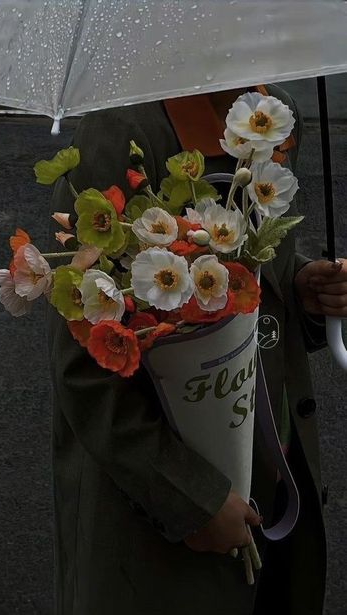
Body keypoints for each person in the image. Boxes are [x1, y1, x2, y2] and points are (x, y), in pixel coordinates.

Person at [46, 82, 346, 615]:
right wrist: (192, 501)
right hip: (158, 538)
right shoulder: (122, 132)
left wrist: (301, 292)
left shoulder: (268, 112)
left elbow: (253, 274)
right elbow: (83, 363)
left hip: (270, 485)